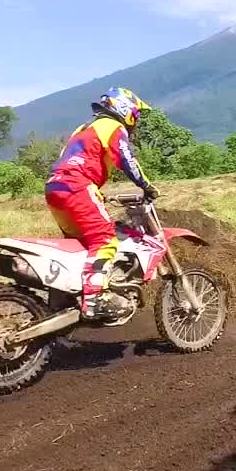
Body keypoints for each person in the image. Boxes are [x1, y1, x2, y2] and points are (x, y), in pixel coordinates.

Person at [45, 87, 158, 319]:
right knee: (105, 238)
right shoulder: (113, 127)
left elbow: (71, 159)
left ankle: (63, 301)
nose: (135, 121)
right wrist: (147, 186)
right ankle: (95, 298)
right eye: (136, 115)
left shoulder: (83, 128)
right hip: (77, 185)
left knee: (79, 245)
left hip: (55, 186)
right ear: (124, 109)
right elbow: (126, 159)